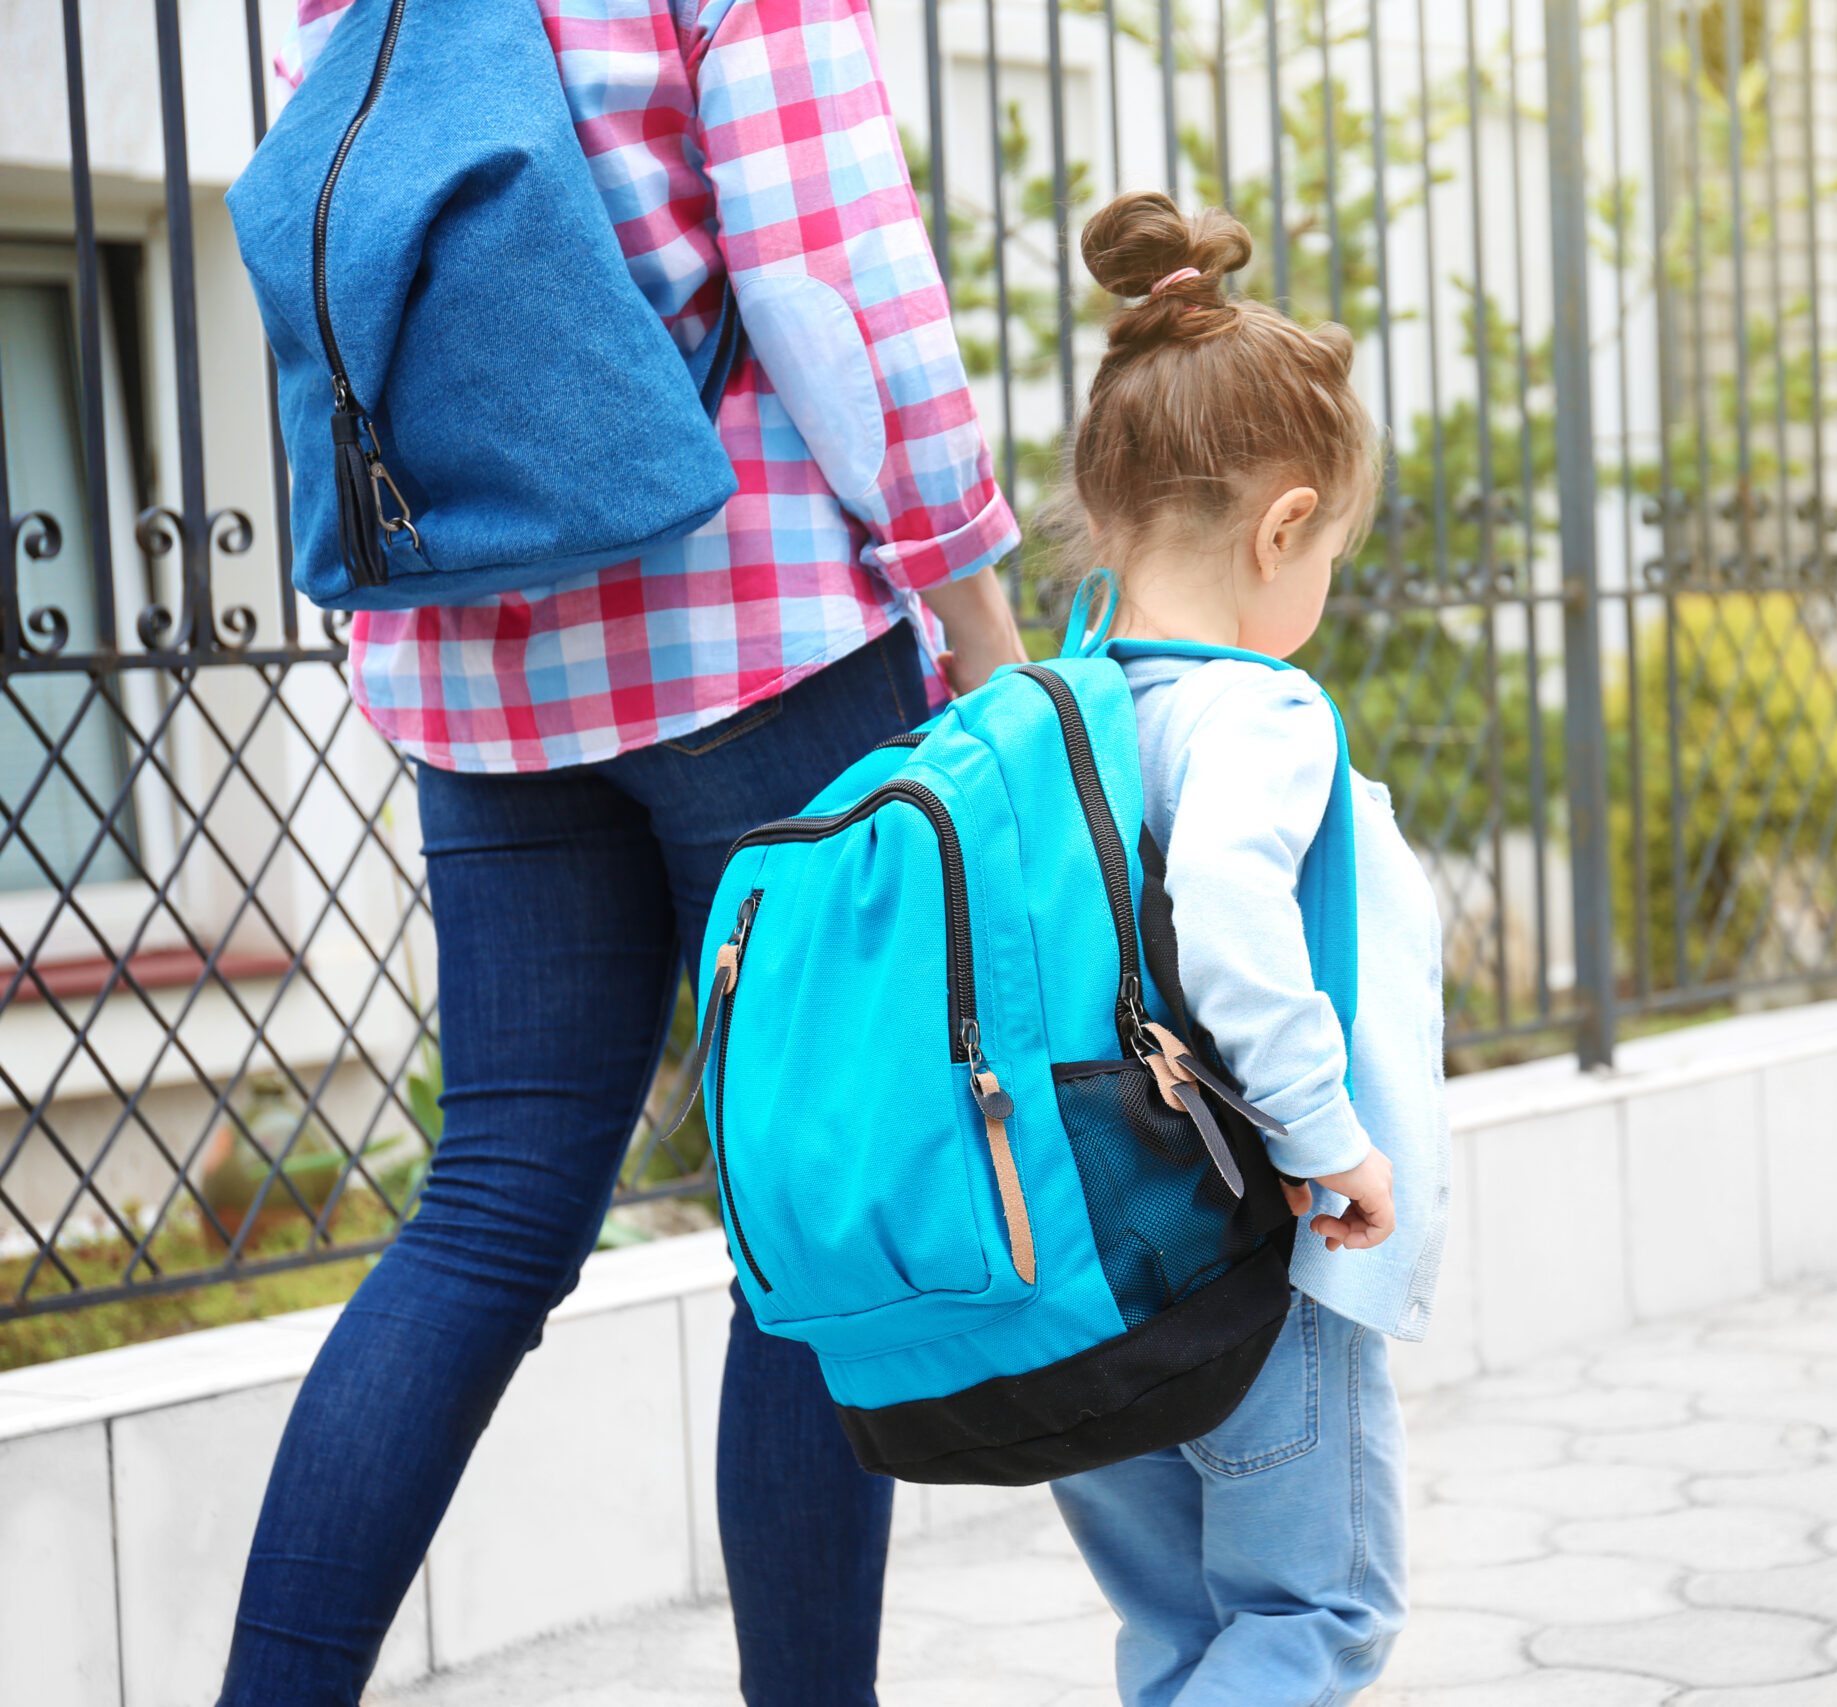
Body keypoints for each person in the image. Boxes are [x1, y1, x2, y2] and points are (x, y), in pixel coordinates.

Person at [217, 0, 1023, 1701]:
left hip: (479, 671)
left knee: (489, 1213)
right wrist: (976, 611)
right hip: (758, 641)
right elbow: (830, 273)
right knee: (809, 1230)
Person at [1043, 191, 1451, 1707]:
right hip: (1259, 1260)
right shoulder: (1260, 712)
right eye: (1330, 548)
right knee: (1311, 1618)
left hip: (1092, 1266)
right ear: (1286, 526)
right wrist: (1325, 1134)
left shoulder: (1061, 708)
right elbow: (1226, 910)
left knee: (1179, 1639)